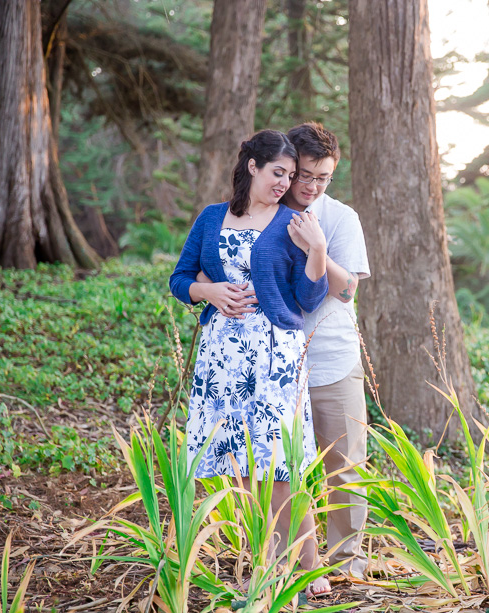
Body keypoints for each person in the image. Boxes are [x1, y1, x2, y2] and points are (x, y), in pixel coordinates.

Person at [169, 129, 333, 596]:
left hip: (274, 354)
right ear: (252, 167)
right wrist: (209, 290)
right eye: (277, 173)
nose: (284, 182)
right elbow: (180, 278)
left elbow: (307, 296)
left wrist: (317, 250)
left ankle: (289, 574)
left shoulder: (294, 223)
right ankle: (272, 561)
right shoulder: (210, 218)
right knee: (241, 467)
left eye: (290, 175)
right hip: (222, 356)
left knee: (279, 462)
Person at [283, 122, 371, 579]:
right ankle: (292, 561)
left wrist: (316, 245)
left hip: (333, 360)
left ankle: (346, 564)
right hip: (276, 363)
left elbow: (347, 289)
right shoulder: (265, 210)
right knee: (280, 468)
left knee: (344, 465)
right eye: (306, 175)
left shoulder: (341, 218)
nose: (313, 187)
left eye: (323, 178)